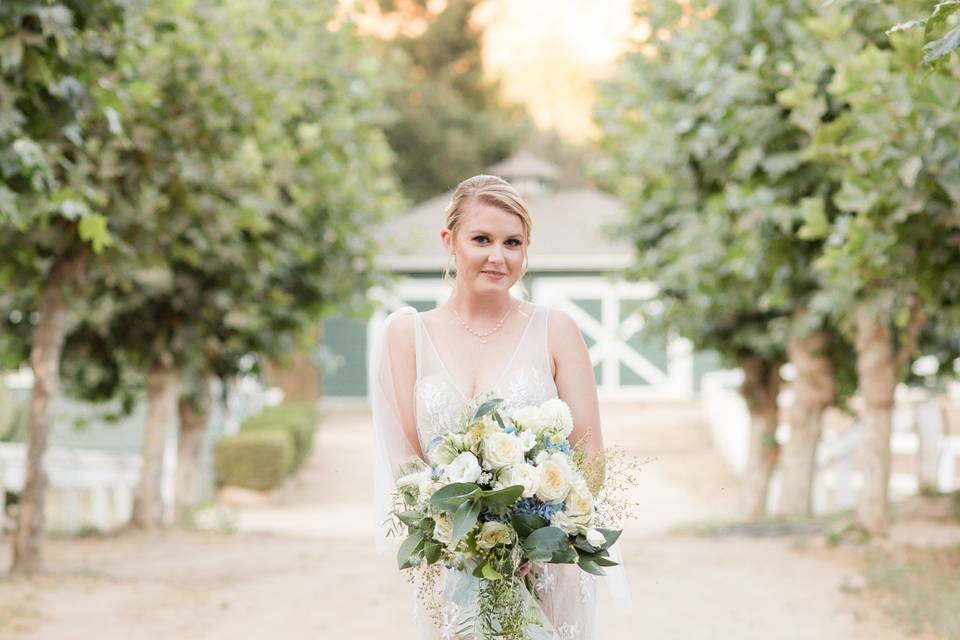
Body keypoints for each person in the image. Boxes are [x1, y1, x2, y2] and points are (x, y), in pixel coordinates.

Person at [370, 174, 619, 639]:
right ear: (449, 241)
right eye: (481, 239)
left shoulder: (556, 329)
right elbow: (408, 464)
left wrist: (532, 541)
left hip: (545, 564)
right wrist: (466, 542)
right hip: (451, 565)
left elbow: (591, 456)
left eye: (513, 243)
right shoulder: (406, 337)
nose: (498, 257)